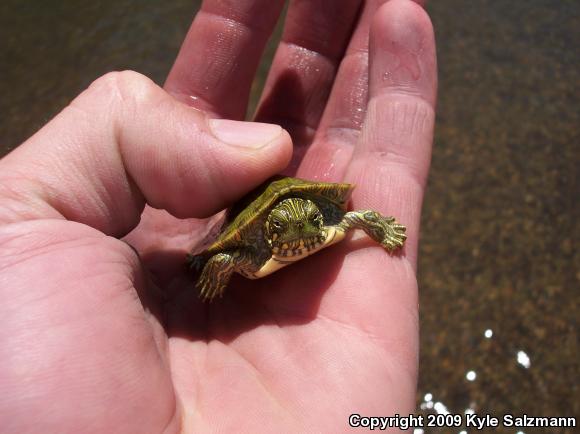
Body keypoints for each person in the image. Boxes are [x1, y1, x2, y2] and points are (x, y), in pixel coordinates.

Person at [0, 0, 436, 432]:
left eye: (307, 222)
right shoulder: (254, 250)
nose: (304, 229)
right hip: (245, 240)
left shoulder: (323, 221)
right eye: (289, 226)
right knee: (214, 257)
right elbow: (227, 256)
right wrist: (210, 264)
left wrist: (382, 228)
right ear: (272, 231)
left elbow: (354, 217)